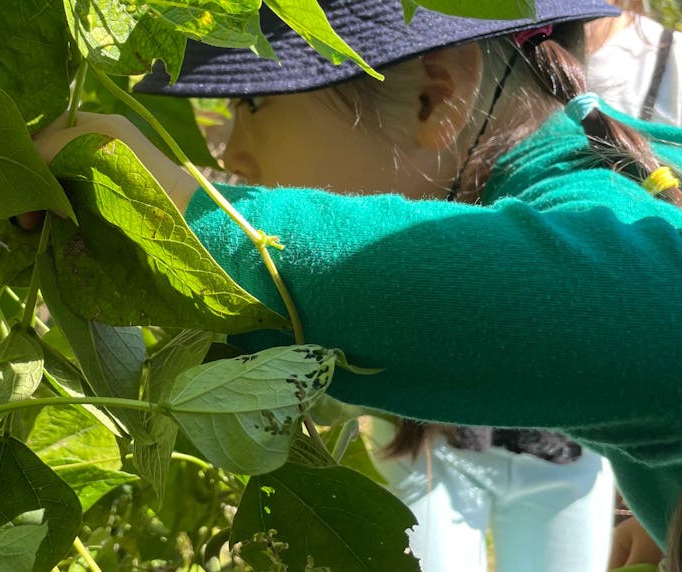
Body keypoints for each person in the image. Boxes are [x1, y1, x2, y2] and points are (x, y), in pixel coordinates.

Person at [33, 0, 682, 569]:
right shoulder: (628, 164)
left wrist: (190, 217)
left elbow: (660, 313)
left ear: (434, 94)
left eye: (251, 104)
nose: (231, 153)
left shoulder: (596, 203)